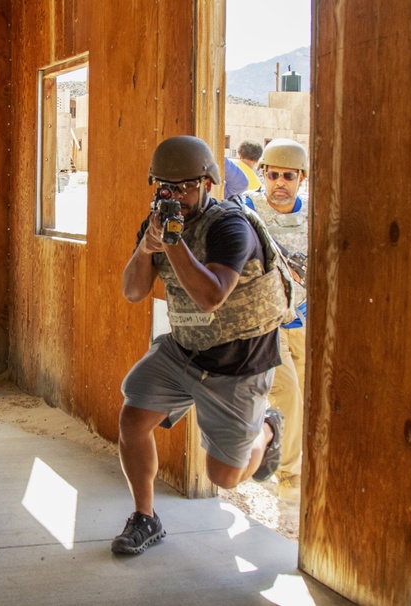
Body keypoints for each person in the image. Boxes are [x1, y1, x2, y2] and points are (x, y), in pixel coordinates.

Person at [112, 135, 292, 555]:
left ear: (209, 183)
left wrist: (172, 245)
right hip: (185, 349)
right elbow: (134, 292)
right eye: (166, 187)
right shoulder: (157, 222)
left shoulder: (231, 226)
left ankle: (266, 430)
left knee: (223, 477)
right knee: (132, 419)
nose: (176, 196)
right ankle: (145, 517)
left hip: (239, 361)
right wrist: (147, 246)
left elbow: (211, 296)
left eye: (186, 186)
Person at [241, 138, 309, 492]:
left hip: (303, 317)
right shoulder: (246, 211)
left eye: (288, 176)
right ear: (262, 174)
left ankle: (284, 457)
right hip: (269, 322)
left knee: (305, 396)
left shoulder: (313, 213)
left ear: (301, 178)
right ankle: (289, 475)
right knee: (286, 392)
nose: (279, 183)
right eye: (272, 175)